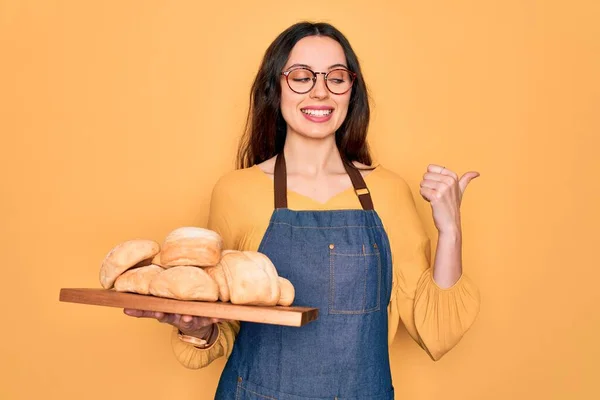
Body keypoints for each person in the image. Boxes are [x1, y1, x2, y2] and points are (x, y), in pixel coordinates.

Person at [124, 21, 481, 399]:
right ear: (275, 89)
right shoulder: (236, 192)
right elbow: (222, 325)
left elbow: (436, 329)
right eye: (301, 77)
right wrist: (197, 328)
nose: (320, 92)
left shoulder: (387, 192)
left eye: (336, 78)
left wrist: (451, 232)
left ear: (351, 90)